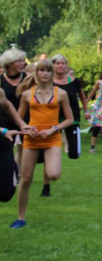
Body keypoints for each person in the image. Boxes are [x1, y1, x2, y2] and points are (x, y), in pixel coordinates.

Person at [10, 59, 74, 228]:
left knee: (54, 174)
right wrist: (26, 127)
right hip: (32, 139)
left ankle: (48, 165)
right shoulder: (27, 94)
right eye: (41, 70)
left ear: (52, 73)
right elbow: (18, 117)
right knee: (25, 180)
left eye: (48, 71)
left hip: (52, 138)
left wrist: (54, 129)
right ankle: (20, 218)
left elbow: (70, 119)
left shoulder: (60, 94)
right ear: (36, 73)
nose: (45, 73)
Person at [52, 55, 88, 161]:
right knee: (51, 147)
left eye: (63, 63)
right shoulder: (49, 82)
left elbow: (82, 96)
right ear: (53, 65)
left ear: (66, 66)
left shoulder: (74, 81)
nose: (60, 66)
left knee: (74, 154)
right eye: (58, 63)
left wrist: (86, 110)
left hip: (72, 116)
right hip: (54, 117)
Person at [0, 88, 30, 203]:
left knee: (6, 193)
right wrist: (2, 131)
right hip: (3, 133)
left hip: (2, 142)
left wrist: (21, 124)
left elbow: (6, 104)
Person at [86, 66, 102, 154]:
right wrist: (86, 102)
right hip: (98, 106)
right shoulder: (99, 82)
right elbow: (93, 92)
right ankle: (92, 147)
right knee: (96, 126)